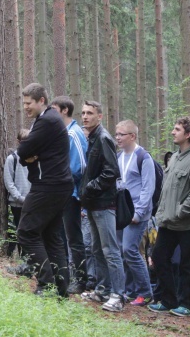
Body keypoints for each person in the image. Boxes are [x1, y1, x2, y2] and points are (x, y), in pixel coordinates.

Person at [15, 83, 72, 297]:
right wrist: (32, 155)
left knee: (26, 232)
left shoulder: (47, 120)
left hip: (48, 185)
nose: (26, 107)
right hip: (58, 185)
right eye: (24, 103)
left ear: (41, 101)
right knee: (51, 236)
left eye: (29, 103)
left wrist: (32, 154)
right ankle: (61, 289)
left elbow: (23, 150)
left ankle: (45, 284)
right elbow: (27, 152)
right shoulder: (47, 120)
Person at [148, 116, 190, 317]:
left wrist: (181, 211)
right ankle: (168, 299)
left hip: (187, 223)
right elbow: (167, 190)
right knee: (159, 256)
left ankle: (187, 304)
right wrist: (162, 213)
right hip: (168, 221)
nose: (173, 132)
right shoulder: (174, 157)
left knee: (188, 263)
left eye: (177, 129)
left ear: (188, 134)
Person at [79, 100, 124, 312]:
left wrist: (90, 187)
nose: (85, 116)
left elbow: (111, 172)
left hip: (104, 204)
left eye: (90, 113)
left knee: (110, 250)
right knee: (97, 249)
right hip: (93, 204)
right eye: (83, 113)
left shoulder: (104, 138)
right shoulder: (92, 138)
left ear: (100, 116)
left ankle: (118, 295)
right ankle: (103, 289)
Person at [51, 95, 89, 294]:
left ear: (64, 110)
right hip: (60, 192)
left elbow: (81, 166)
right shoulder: (62, 132)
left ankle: (81, 280)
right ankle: (62, 275)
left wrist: (64, 179)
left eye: (54, 108)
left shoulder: (74, 133)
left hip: (71, 193)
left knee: (74, 238)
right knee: (59, 236)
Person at [115, 119, 155, 307]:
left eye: (121, 134)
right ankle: (129, 290)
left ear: (132, 136)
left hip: (138, 214)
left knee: (130, 250)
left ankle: (146, 292)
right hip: (122, 213)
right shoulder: (118, 157)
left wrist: (137, 214)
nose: (117, 138)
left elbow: (148, 189)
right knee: (123, 251)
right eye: (116, 134)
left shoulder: (143, 157)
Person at [4, 129, 31, 258]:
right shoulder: (12, 159)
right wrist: (19, 198)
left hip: (31, 203)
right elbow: (9, 182)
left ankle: (25, 259)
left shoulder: (35, 159)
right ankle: (10, 255)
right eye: (23, 142)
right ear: (18, 142)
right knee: (16, 231)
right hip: (16, 204)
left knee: (28, 233)